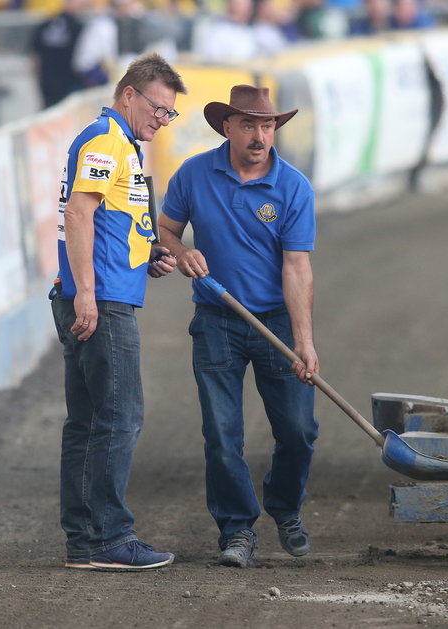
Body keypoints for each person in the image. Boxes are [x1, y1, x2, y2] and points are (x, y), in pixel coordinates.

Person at [158, 85, 319, 568]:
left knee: (298, 430)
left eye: (267, 125)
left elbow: (297, 267)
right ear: (226, 127)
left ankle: (285, 507)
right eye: (248, 124)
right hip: (216, 320)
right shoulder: (193, 174)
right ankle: (237, 529)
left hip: (276, 322)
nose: (259, 135)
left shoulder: (293, 187)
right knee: (222, 434)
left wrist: (304, 343)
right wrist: (181, 251)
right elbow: (163, 229)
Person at [50, 52, 186, 571]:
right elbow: (78, 211)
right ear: (127, 95)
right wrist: (87, 291)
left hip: (98, 294)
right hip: (100, 303)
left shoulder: (117, 142)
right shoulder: (107, 140)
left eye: (170, 114)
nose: (161, 118)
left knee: (88, 421)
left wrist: (144, 254)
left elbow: (106, 219)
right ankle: (105, 537)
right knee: (118, 417)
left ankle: (87, 540)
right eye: (158, 107)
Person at [30, 0, 84, 108]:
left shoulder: (45, 25)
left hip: (47, 81)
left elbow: (34, 59)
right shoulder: (78, 27)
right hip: (69, 82)